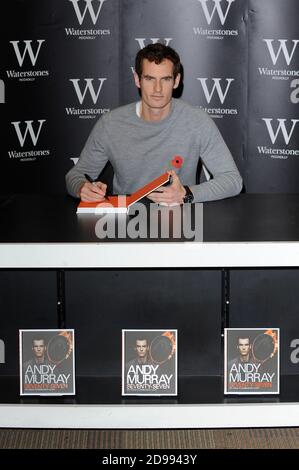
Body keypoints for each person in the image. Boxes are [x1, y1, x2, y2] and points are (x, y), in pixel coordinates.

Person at [66, 43, 242, 204]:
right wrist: (83, 188)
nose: (157, 89)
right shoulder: (111, 124)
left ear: (176, 81)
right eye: (150, 79)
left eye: (165, 79)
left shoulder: (197, 121)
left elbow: (233, 180)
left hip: (181, 221)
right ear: (137, 79)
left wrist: (186, 194)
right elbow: (75, 175)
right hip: (126, 222)